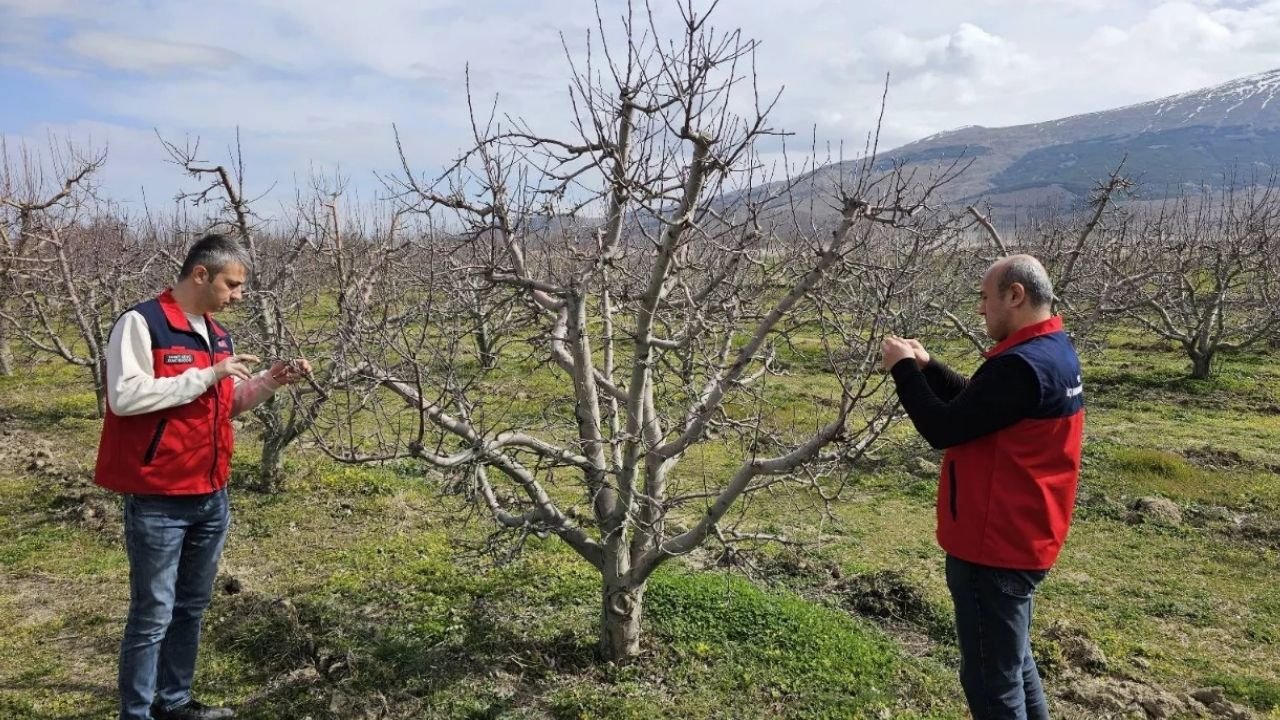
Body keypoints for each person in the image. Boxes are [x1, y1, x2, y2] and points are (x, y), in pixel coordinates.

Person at [94, 234, 312, 720]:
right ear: (200, 275)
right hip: (158, 498)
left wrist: (272, 380)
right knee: (152, 614)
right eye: (232, 284)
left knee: (191, 607)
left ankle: (175, 703)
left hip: (211, 493)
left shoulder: (217, 334)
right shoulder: (143, 323)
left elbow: (228, 403)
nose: (239, 295)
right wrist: (210, 375)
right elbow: (125, 397)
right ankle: (137, 713)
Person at [880, 254, 1084, 720]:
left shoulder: (1019, 366)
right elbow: (981, 403)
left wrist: (903, 370)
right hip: (1024, 536)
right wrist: (929, 366)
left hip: (992, 549)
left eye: (985, 298)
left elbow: (943, 427)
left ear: (1015, 295)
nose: (980, 309)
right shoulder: (1051, 352)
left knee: (993, 683)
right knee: (1014, 665)